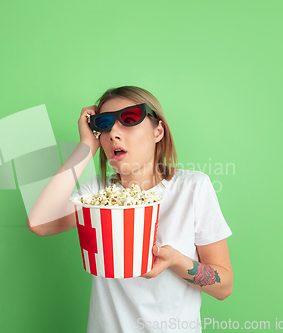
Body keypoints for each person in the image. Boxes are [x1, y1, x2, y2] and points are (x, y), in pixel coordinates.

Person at [27, 86, 233, 333]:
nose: (113, 132)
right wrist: (85, 147)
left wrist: (175, 261)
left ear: (158, 131)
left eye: (129, 119)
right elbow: (39, 222)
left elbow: (224, 287)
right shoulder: (97, 194)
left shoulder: (192, 188)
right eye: (104, 124)